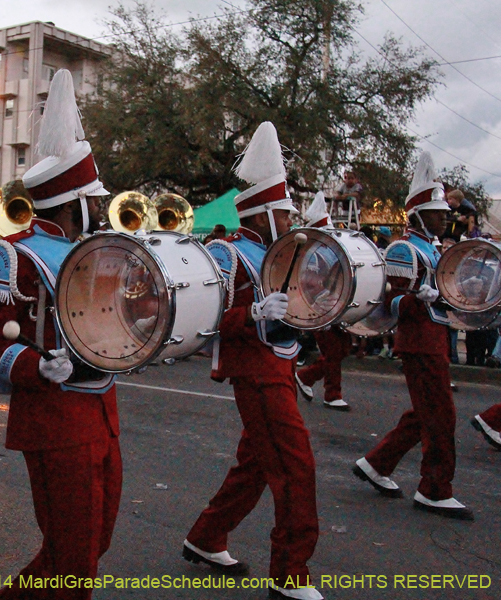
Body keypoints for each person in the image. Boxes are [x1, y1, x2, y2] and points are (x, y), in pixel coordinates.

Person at [0, 70, 120, 600]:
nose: (101, 207)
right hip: (54, 418)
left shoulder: (97, 250)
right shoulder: (13, 253)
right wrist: (34, 366)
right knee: (75, 558)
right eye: (93, 199)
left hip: (103, 411)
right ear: (73, 202)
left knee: (93, 543)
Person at [184, 122, 323, 600]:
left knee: (258, 463)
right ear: (262, 213)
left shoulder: (279, 252)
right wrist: (253, 313)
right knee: (295, 465)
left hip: (279, 367)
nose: (289, 219)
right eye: (283, 211)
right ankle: (290, 573)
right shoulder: (226, 251)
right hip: (255, 374)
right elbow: (208, 316)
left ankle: (205, 536)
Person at [353, 151, 472, 521]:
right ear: (419, 214)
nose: (444, 217)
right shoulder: (405, 248)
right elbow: (392, 302)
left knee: (426, 412)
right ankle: (434, 489)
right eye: (437, 212)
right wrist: (417, 297)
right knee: (441, 415)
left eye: (445, 211)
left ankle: (377, 463)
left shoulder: (434, 249)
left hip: (433, 336)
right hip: (418, 340)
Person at [295, 193, 352, 411]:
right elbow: (310, 284)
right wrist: (323, 308)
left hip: (334, 305)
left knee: (343, 347)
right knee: (333, 350)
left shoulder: (330, 250)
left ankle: (306, 376)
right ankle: (332, 394)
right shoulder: (312, 253)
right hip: (320, 308)